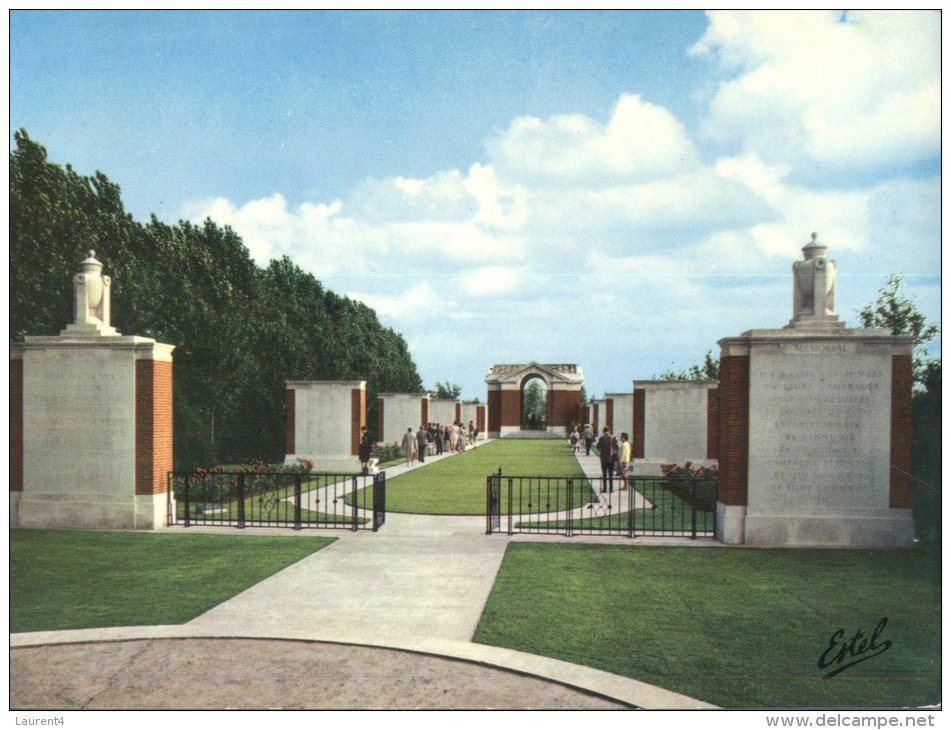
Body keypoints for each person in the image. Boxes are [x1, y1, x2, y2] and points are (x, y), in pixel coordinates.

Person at [596, 426, 616, 492]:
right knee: (611, 474)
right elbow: (616, 447)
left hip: (604, 459)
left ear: (603, 431)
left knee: (604, 474)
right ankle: (611, 488)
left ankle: (605, 488)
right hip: (611, 458)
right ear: (609, 430)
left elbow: (597, 446)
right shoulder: (613, 438)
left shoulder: (601, 438)